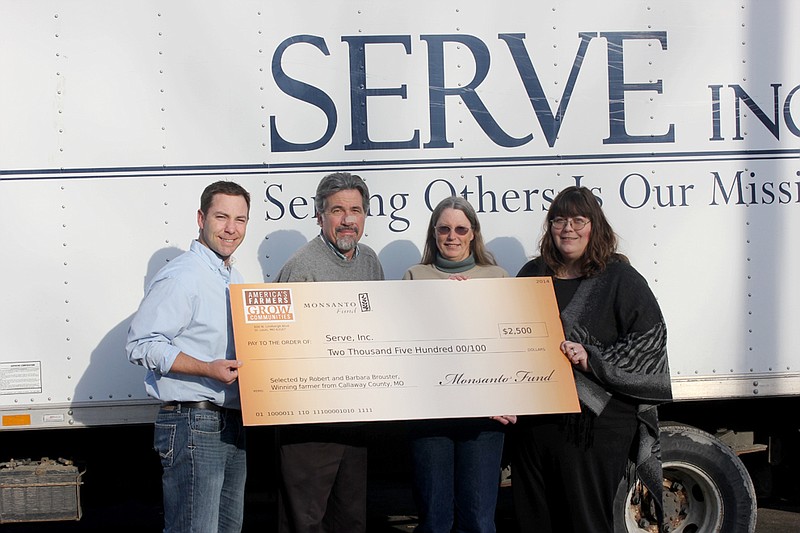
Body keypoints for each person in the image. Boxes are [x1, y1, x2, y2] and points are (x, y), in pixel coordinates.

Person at [510, 186, 672, 532]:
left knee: (584, 521)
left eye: (578, 220)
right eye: (558, 220)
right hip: (537, 425)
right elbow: (505, 332)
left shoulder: (619, 279)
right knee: (533, 520)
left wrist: (592, 358)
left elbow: (651, 342)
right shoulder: (532, 273)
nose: (568, 228)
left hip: (595, 427)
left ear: (594, 226)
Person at [126, 181, 250, 533]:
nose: (231, 228)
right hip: (194, 424)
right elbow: (140, 343)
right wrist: (206, 369)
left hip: (230, 423)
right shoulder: (184, 276)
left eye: (240, 219)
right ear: (201, 218)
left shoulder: (232, 277)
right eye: (221, 217)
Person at [275, 172, 384, 533]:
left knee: (350, 520)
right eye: (337, 210)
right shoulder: (301, 267)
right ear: (320, 215)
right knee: (305, 522)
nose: (348, 219)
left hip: (355, 420)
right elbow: (281, 347)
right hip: (310, 425)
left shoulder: (369, 261)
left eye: (356, 209)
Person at [403, 196, 515, 533]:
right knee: (434, 520)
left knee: (479, 520)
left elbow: (510, 346)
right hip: (431, 415)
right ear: (434, 234)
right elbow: (404, 343)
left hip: (484, 416)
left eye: (460, 229)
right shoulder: (415, 275)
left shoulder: (496, 277)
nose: (452, 236)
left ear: (473, 233)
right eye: (444, 229)